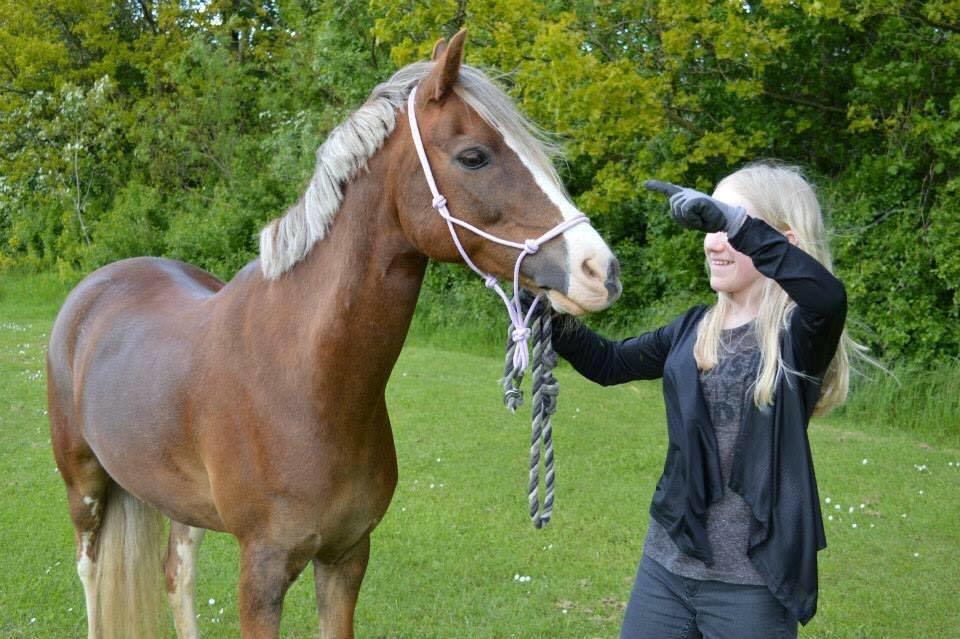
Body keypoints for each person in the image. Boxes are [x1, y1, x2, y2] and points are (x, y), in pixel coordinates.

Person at [552, 162, 854, 638]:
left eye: (725, 225)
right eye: (708, 225)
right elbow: (608, 363)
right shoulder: (691, 329)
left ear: (783, 243)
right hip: (666, 568)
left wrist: (736, 225)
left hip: (750, 587)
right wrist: (547, 306)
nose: (713, 241)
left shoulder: (796, 336)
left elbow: (827, 297)